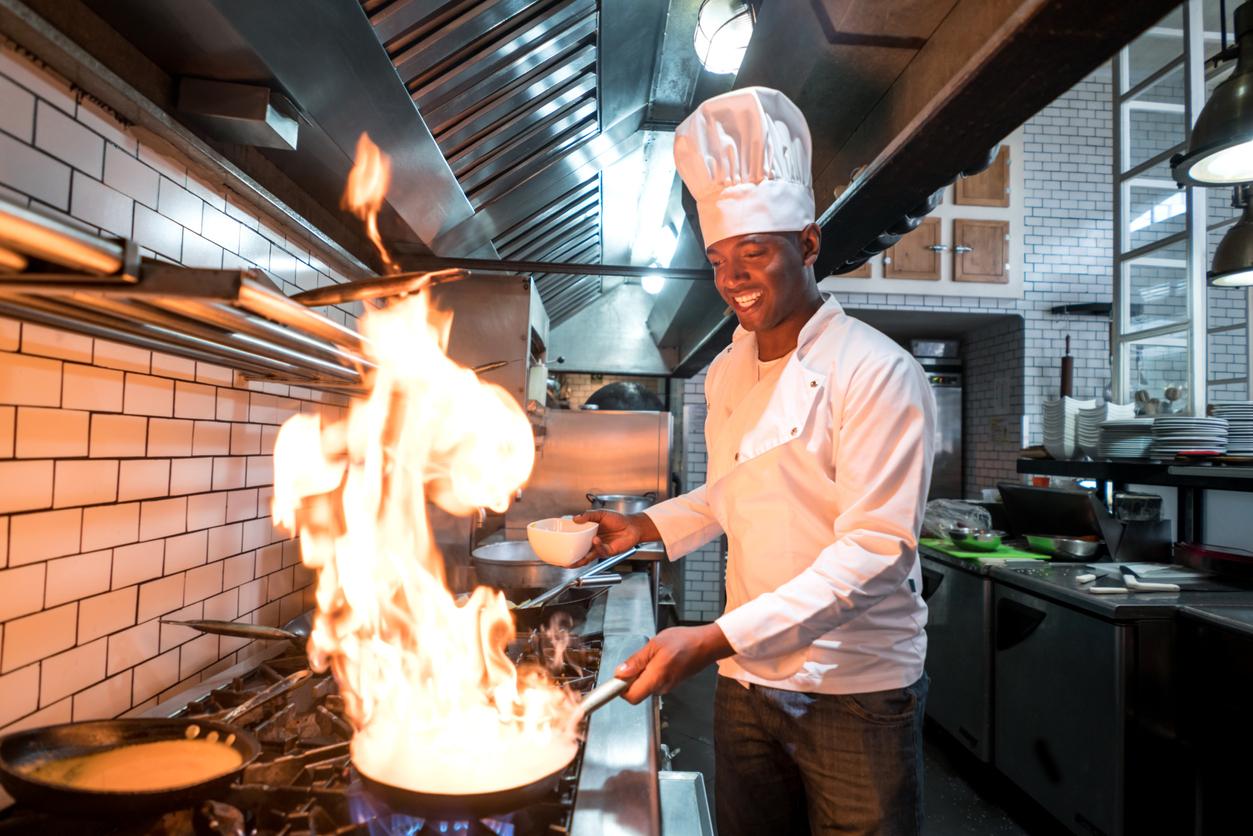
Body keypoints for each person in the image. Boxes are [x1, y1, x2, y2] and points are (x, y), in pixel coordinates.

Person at [573, 87, 937, 836]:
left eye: (755, 252)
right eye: (717, 259)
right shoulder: (728, 369)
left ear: (806, 244)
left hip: (854, 688)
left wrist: (712, 638)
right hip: (747, 680)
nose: (733, 277)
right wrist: (638, 528)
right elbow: (724, 497)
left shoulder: (877, 370)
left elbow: (874, 551)